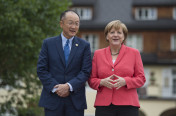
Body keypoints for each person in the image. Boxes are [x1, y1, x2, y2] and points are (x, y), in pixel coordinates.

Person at [37, 10, 92, 116]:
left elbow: (86, 71)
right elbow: (42, 69)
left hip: (75, 101)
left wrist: (69, 86)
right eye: (70, 23)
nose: (74, 26)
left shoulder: (84, 45)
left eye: (77, 23)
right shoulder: (48, 43)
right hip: (52, 100)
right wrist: (56, 88)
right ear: (61, 24)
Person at [88, 20, 146, 116]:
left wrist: (126, 81)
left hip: (128, 105)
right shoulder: (98, 54)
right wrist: (101, 82)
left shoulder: (134, 53)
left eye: (119, 32)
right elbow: (91, 80)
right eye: (112, 32)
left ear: (123, 36)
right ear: (107, 36)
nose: (115, 35)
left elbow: (141, 79)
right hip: (104, 106)